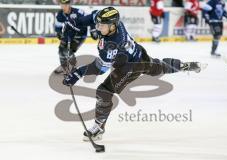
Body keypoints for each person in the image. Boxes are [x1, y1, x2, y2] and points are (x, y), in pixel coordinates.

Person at [62, 7, 205, 141]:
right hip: (139, 53)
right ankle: (184, 66)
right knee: (158, 67)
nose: (98, 28)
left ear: (112, 26)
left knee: (104, 91)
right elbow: (93, 17)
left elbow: (100, 68)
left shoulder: (112, 45)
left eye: (101, 26)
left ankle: (98, 128)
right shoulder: (113, 24)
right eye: (98, 25)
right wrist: (74, 23)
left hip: (129, 67)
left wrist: (77, 74)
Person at [54, 0, 98, 74]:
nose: (64, 7)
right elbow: (58, 25)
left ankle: (73, 67)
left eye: (65, 5)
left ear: (69, 4)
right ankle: (64, 67)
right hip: (68, 34)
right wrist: (58, 32)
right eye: (62, 5)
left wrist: (93, 30)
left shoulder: (79, 12)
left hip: (80, 35)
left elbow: (90, 19)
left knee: (68, 51)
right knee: (61, 50)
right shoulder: (60, 14)